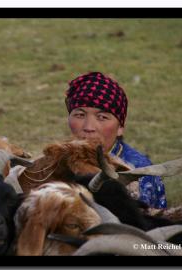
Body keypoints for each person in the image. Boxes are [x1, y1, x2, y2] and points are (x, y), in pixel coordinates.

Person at [64, 71, 166, 209]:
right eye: (80, 114)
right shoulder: (58, 161)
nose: (88, 127)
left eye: (102, 117)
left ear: (120, 127)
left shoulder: (139, 173)